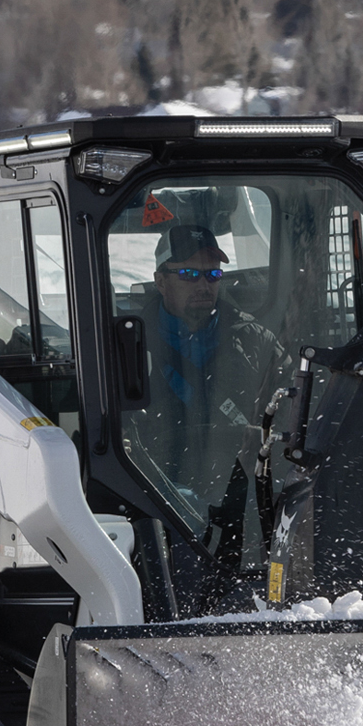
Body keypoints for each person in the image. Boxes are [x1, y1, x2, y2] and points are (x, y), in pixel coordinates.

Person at [133, 223, 291, 554]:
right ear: (160, 281)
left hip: (240, 493)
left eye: (213, 275)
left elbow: (290, 409)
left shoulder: (255, 341)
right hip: (157, 496)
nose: (204, 284)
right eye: (190, 274)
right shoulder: (127, 344)